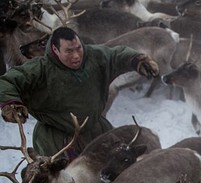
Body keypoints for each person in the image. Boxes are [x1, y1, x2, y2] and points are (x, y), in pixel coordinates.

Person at [0, 26, 159, 157]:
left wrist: (138, 60)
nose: (76, 56)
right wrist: (11, 104)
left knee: (113, 171)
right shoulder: (39, 69)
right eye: (69, 51)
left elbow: (117, 54)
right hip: (57, 139)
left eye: (78, 49)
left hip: (96, 130)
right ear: (55, 50)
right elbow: (7, 81)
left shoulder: (94, 56)